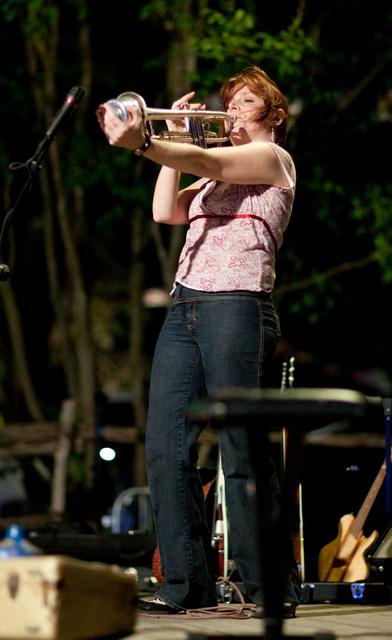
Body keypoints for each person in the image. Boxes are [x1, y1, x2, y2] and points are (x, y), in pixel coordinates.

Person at [97, 65, 301, 617]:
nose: (230, 113)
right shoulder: (214, 177)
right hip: (184, 303)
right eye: (227, 103)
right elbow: (166, 211)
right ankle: (186, 587)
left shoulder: (272, 160)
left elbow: (208, 160)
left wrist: (148, 141)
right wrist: (171, 138)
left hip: (238, 305)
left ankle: (269, 590)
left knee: (243, 453)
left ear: (274, 116)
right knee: (166, 447)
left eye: (245, 105)